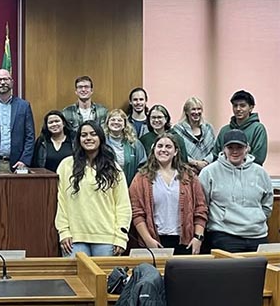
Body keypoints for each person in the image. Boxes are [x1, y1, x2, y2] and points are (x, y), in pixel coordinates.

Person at [56, 120, 131, 257]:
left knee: (107, 279)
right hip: (74, 238)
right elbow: (61, 202)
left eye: (93, 134)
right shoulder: (66, 165)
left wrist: (121, 237)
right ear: (79, 139)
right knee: (75, 279)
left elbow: (123, 205)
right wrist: (64, 231)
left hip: (107, 238)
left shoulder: (114, 168)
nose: (88, 138)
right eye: (84, 135)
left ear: (100, 138)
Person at [129, 133, 208, 255]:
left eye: (168, 146)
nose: (163, 150)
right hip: (154, 240)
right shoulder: (141, 178)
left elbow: (200, 209)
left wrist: (198, 238)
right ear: (153, 149)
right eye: (159, 146)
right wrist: (148, 240)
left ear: (176, 151)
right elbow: (137, 212)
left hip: (184, 242)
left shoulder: (189, 176)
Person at [200, 129, 273, 253]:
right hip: (224, 234)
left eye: (239, 147)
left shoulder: (260, 173)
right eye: (230, 147)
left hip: (257, 234)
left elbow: (267, 205)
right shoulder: (209, 172)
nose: (235, 151)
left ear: (247, 149)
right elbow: (202, 204)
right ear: (224, 149)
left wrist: (257, 217)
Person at [213, 90, 267, 165]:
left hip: (249, 173)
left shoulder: (258, 129)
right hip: (225, 173)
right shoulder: (224, 130)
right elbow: (216, 155)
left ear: (251, 108)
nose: (238, 109)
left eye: (242, 105)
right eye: (235, 105)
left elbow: (258, 158)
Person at [172, 96, 216, 174]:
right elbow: (177, 151)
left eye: (199, 109)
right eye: (193, 109)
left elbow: (214, 149)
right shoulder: (178, 130)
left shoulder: (208, 128)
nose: (196, 112)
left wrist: (206, 161)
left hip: (208, 170)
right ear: (186, 112)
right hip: (186, 171)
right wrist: (195, 163)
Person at [103, 109, 147, 186]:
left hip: (130, 187)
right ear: (107, 123)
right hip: (106, 187)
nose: (116, 122)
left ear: (125, 124)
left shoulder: (134, 144)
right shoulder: (101, 143)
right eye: (113, 119)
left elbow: (143, 167)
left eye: (119, 120)